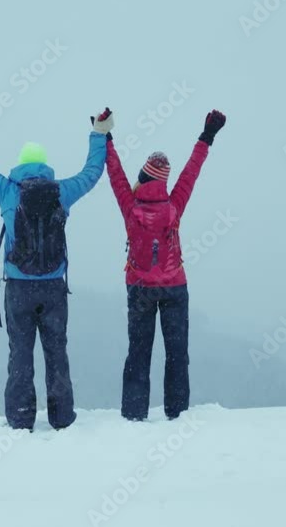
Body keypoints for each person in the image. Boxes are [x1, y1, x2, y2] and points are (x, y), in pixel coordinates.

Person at [0, 98, 113, 431]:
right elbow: (93, 173)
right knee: (57, 353)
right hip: (53, 288)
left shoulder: (6, 191)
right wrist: (98, 135)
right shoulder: (62, 192)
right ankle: (62, 417)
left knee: (20, 354)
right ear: (45, 166)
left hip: (19, 289)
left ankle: (22, 418)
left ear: (21, 165)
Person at [102, 109, 227, 421]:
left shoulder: (130, 206)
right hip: (174, 286)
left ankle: (133, 414)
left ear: (143, 177)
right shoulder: (174, 205)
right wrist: (206, 136)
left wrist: (105, 137)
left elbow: (115, 173)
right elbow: (191, 172)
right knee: (177, 354)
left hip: (140, 288)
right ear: (164, 180)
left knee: (139, 353)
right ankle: (177, 413)